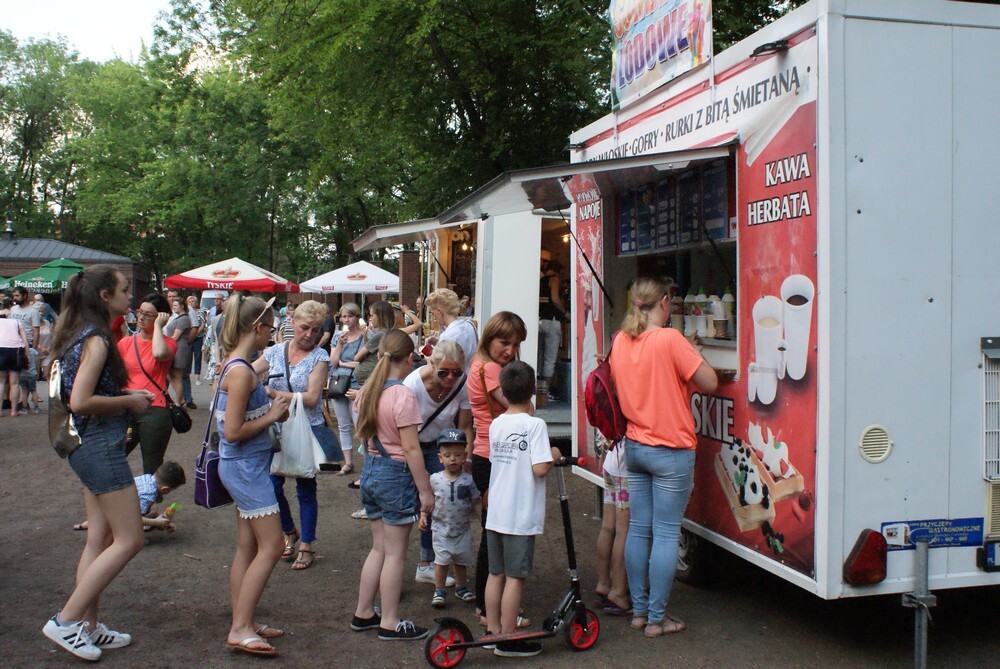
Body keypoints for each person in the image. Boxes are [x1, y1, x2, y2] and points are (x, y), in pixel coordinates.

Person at [41, 265, 155, 661]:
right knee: (130, 538)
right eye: (125, 290)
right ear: (105, 296)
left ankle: (86, 627)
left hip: (85, 444)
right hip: (99, 445)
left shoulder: (78, 333)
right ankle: (68, 620)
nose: (131, 297)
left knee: (99, 538)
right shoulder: (96, 340)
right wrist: (130, 399)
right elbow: (81, 401)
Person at [609, 276, 717, 638]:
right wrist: (695, 352)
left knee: (640, 530)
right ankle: (657, 619)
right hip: (671, 450)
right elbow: (710, 382)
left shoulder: (621, 340)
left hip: (636, 448)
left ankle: (639, 612)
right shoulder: (671, 339)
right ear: (665, 302)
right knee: (667, 533)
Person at [215, 295, 291, 656]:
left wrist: (271, 404)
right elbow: (231, 432)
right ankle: (241, 627)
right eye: (270, 329)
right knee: (274, 546)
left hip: (244, 467)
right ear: (257, 328)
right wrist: (273, 416)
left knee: (248, 547)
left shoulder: (237, 366)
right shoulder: (242, 371)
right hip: (245, 468)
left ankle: (243, 619)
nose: (271, 336)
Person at [350, 329, 434, 641]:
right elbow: (412, 449)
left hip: (371, 469)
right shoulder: (403, 395)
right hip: (396, 475)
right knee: (396, 553)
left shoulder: (367, 391)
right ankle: (389, 621)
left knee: (379, 548)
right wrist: (425, 491)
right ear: (410, 358)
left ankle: (364, 612)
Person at [255, 299, 341, 571]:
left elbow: (313, 398)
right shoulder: (274, 352)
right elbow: (246, 373)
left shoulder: (320, 357)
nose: (310, 335)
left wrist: (272, 393)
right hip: (276, 428)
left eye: (316, 330)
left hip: (306, 428)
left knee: (305, 486)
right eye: (305, 328)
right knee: (272, 486)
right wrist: (230, 368)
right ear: (292, 323)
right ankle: (288, 531)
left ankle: (306, 544)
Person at [483, 360, 561, 657]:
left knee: (496, 573)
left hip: (497, 511)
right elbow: (540, 468)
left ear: (502, 389)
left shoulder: (497, 423)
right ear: (532, 392)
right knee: (515, 577)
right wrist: (554, 453)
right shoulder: (535, 425)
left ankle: (491, 631)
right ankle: (509, 637)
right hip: (519, 514)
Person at [466, 310, 527, 619]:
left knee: (492, 534)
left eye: (515, 345)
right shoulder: (491, 369)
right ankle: (489, 609)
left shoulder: (478, 364)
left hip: (485, 455)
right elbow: (519, 405)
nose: (510, 351)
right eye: (505, 342)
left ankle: (487, 604)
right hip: (495, 458)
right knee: (496, 537)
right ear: (489, 339)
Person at [404, 339, 473, 586]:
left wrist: (467, 457)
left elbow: (465, 425)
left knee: (437, 505)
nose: (450, 377)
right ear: (431, 362)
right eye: (444, 371)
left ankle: (427, 563)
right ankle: (400, 563)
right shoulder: (412, 385)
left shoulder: (461, 384)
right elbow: (406, 435)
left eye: (457, 372)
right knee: (411, 505)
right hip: (411, 446)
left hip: (440, 448)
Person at [118, 294, 177, 476]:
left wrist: (159, 327)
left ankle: (152, 504)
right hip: (125, 407)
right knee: (114, 457)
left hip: (154, 410)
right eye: (140, 312)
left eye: (149, 315)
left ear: (161, 317)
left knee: (151, 468)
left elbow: (159, 354)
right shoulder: (125, 343)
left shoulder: (169, 343)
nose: (141, 317)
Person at [426, 428, 480, 608]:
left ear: (465, 456)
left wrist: (484, 519)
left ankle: (461, 587)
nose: (453, 459)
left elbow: (475, 501)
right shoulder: (434, 479)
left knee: (461, 559)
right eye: (448, 455)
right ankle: (439, 589)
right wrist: (422, 515)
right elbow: (428, 500)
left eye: (457, 455)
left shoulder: (468, 480)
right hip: (440, 528)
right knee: (441, 561)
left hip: (462, 528)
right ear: (440, 458)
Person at [72, 460, 187, 532]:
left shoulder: (148, 478)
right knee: (131, 527)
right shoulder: (149, 495)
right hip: (117, 507)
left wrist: (162, 521)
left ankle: (86, 524)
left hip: (109, 498)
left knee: (150, 509)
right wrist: (155, 522)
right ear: (165, 489)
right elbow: (133, 518)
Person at [595, 440, 632, 617]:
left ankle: (603, 583)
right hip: (625, 468)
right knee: (623, 531)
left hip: (610, 461)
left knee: (608, 526)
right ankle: (618, 591)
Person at [328, 302, 366, 475]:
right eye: (343, 316)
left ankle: (368, 462)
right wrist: (340, 346)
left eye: (350, 316)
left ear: (357, 317)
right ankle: (348, 462)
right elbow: (333, 362)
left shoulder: (365, 336)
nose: (346, 319)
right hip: (338, 384)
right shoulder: (338, 336)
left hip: (355, 384)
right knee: (343, 425)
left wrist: (344, 363)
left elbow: (362, 363)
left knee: (360, 424)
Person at [424, 288, 477, 369]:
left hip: (458, 379)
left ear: (439, 311)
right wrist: (438, 343)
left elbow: (440, 368)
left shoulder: (447, 336)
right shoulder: (469, 325)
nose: (434, 317)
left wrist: (428, 360)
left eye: (433, 313)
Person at [538, 252, 567, 393]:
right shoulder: (554, 279)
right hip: (552, 321)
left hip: (540, 321)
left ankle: (538, 390)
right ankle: (546, 391)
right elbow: (555, 298)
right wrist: (564, 311)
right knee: (550, 358)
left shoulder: (541, 280)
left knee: (540, 355)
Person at [164, 297, 195, 409]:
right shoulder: (180, 318)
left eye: (176, 305)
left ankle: (179, 401)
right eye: (173, 305)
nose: (173, 307)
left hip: (179, 350)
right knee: (171, 375)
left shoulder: (183, 319)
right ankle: (180, 400)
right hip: (177, 348)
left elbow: (175, 337)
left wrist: (164, 343)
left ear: (182, 306)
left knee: (177, 376)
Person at [0, 313, 30, 418]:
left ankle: (0, 411)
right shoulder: (16, 322)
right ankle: (13, 411)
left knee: (1, 382)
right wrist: (27, 355)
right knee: (15, 383)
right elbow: (25, 340)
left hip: (1, 349)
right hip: (16, 350)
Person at [10, 286, 42, 356]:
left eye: (17, 296)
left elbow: (36, 332)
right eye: (13, 296)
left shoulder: (33, 311)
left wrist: (33, 349)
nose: (14, 298)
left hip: (27, 345)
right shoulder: (13, 309)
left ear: (25, 296)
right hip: (13, 344)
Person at [186, 295, 206, 385]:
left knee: (198, 357)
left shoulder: (200, 312)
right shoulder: (186, 312)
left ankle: (197, 377)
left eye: (193, 301)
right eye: (189, 302)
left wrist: (196, 332)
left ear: (196, 303)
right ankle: (187, 376)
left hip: (198, 337)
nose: (191, 303)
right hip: (189, 337)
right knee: (188, 357)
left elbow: (202, 324)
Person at [17, 345, 41, 413]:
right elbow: (37, 359)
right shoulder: (32, 350)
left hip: (22, 375)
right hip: (32, 374)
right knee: (34, 391)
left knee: (24, 392)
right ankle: (36, 408)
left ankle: (25, 409)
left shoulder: (19, 352)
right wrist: (37, 371)